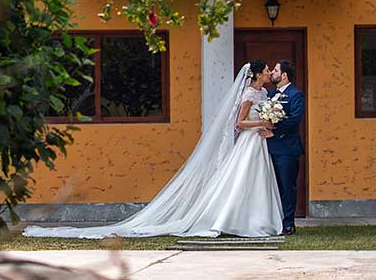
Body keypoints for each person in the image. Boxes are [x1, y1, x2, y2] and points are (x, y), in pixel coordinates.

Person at [23, 61, 283, 239]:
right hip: (251, 140)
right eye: (267, 70)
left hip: (258, 141)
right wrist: (262, 121)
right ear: (257, 74)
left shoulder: (262, 94)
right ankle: (235, 220)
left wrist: (267, 122)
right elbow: (238, 122)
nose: (270, 72)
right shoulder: (249, 93)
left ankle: (256, 220)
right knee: (242, 179)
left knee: (255, 180)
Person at [261, 59, 305, 235]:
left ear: (284, 75)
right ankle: (274, 221)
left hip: (287, 149)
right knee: (273, 187)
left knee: (287, 186)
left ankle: (288, 223)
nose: (271, 72)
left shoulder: (296, 95)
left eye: (275, 70)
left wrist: (275, 132)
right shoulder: (270, 94)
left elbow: (295, 119)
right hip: (268, 148)